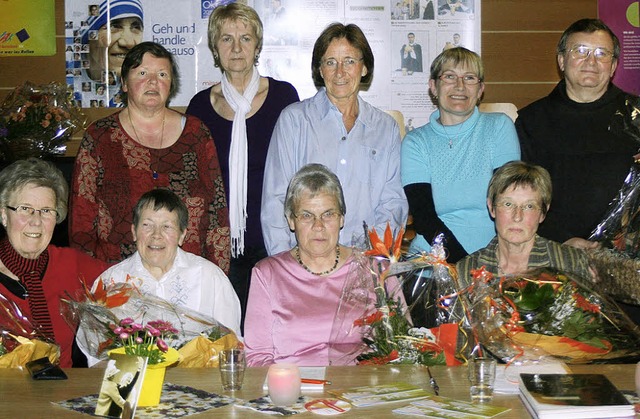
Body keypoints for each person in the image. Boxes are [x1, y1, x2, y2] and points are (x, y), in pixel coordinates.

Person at [69, 42, 231, 273]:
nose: (153, 81)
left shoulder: (196, 133)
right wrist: (89, 280)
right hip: (118, 279)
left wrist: (218, 276)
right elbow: (82, 219)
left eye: (162, 74)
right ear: (124, 83)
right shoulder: (100, 137)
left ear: (171, 84)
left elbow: (217, 214)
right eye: (142, 73)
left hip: (189, 276)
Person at [186, 3, 299, 331]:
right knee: (225, 334)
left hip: (275, 237)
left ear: (257, 46)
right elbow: (194, 183)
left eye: (245, 38)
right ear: (214, 48)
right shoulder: (199, 107)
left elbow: (298, 171)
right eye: (226, 39)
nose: (236, 48)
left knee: (274, 330)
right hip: (219, 244)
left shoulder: (283, 97)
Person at [261, 23, 408, 256]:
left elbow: (393, 203)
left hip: (364, 262)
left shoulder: (385, 128)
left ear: (364, 68)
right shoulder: (294, 120)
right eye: (330, 62)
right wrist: (284, 265)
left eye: (349, 61)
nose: (340, 72)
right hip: (304, 261)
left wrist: (371, 259)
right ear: (320, 70)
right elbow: (275, 199)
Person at [246, 164, 402, 366]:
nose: (318, 226)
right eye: (306, 215)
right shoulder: (267, 273)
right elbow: (257, 358)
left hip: (361, 389)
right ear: (291, 221)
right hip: (294, 390)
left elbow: (404, 343)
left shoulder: (376, 269)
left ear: (342, 219)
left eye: (328, 214)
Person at [516, 18, 638, 251]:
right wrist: (562, 240)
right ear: (561, 60)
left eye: (602, 53)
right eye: (580, 51)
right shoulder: (532, 120)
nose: (591, 61)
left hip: (627, 256)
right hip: (552, 251)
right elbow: (521, 194)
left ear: (613, 66)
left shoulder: (636, 117)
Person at [401, 47, 520, 263]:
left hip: (495, 260)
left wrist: (484, 270)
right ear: (433, 87)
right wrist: (467, 269)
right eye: (449, 77)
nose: (460, 86)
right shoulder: (416, 142)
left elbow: (510, 204)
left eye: (469, 78)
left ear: (481, 89)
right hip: (433, 261)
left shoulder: (499, 127)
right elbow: (424, 218)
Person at [0, 158, 108, 368]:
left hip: (62, 394)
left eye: (47, 211)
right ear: (4, 214)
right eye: (25, 208)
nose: (36, 221)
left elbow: (129, 278)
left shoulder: (72, 264)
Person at [90, 189, 240, 338]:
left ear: (182, 235)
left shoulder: (209, 277)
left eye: (167, 227)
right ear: (134, 232)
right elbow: (95, 345)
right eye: (147, 225)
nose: (156, 235)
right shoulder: (110, 282)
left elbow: (230, 343)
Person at [456, 161, 592, 286]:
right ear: (492, 207)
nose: (517, 217)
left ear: (543, 213)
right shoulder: (466, 272)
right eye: (508, 204)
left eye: (529, 206)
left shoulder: (571, 264)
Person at [77, 0, 144, 107]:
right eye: (114, 26)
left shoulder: (146, 91)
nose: (129, 43)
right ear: (88, 35)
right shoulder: (64, 83)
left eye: (136, 27)